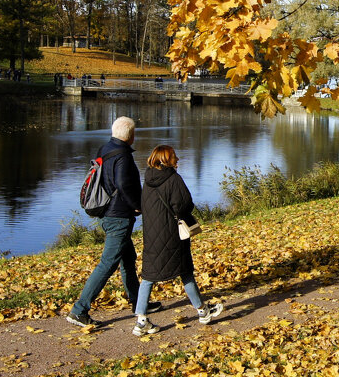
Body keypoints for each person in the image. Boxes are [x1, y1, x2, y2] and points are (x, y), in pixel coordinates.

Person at [66, 116, 161, 327]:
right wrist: (138, 204)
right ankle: (79, 310)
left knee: (128, 258)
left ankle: (139, 303)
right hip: (118, 217)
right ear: (131, 136)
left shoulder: (105, 149)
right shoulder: (124, 157)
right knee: (107, 263)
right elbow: (122, 183)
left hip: (107, 212)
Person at [132, 144, 223, 335]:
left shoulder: (147, 180)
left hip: (152, 236)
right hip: (172, 234)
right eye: (174, 156)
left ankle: (141, 321)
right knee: (185, 271)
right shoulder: (173, 179)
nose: (178, 159)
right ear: (165, 160)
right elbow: (184, 205)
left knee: (148, 277)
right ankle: (203, 311)